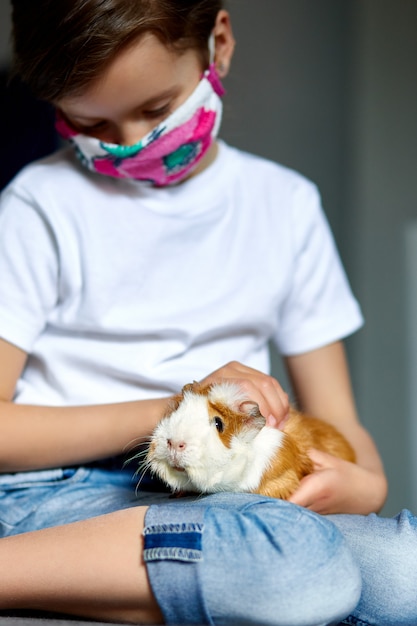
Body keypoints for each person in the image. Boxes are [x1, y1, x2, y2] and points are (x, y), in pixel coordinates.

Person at [0, 0, 406, 624]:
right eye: (93, 125)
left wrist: (366, 483)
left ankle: (206, 572)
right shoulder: (38, 205)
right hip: (63, 488)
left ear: (218, 43)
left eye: (157, 110)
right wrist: (180, 412)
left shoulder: (286, 204)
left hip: (228, 483)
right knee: (300, 571)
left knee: (403, 575)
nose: (132, 144)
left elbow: (341, 424)